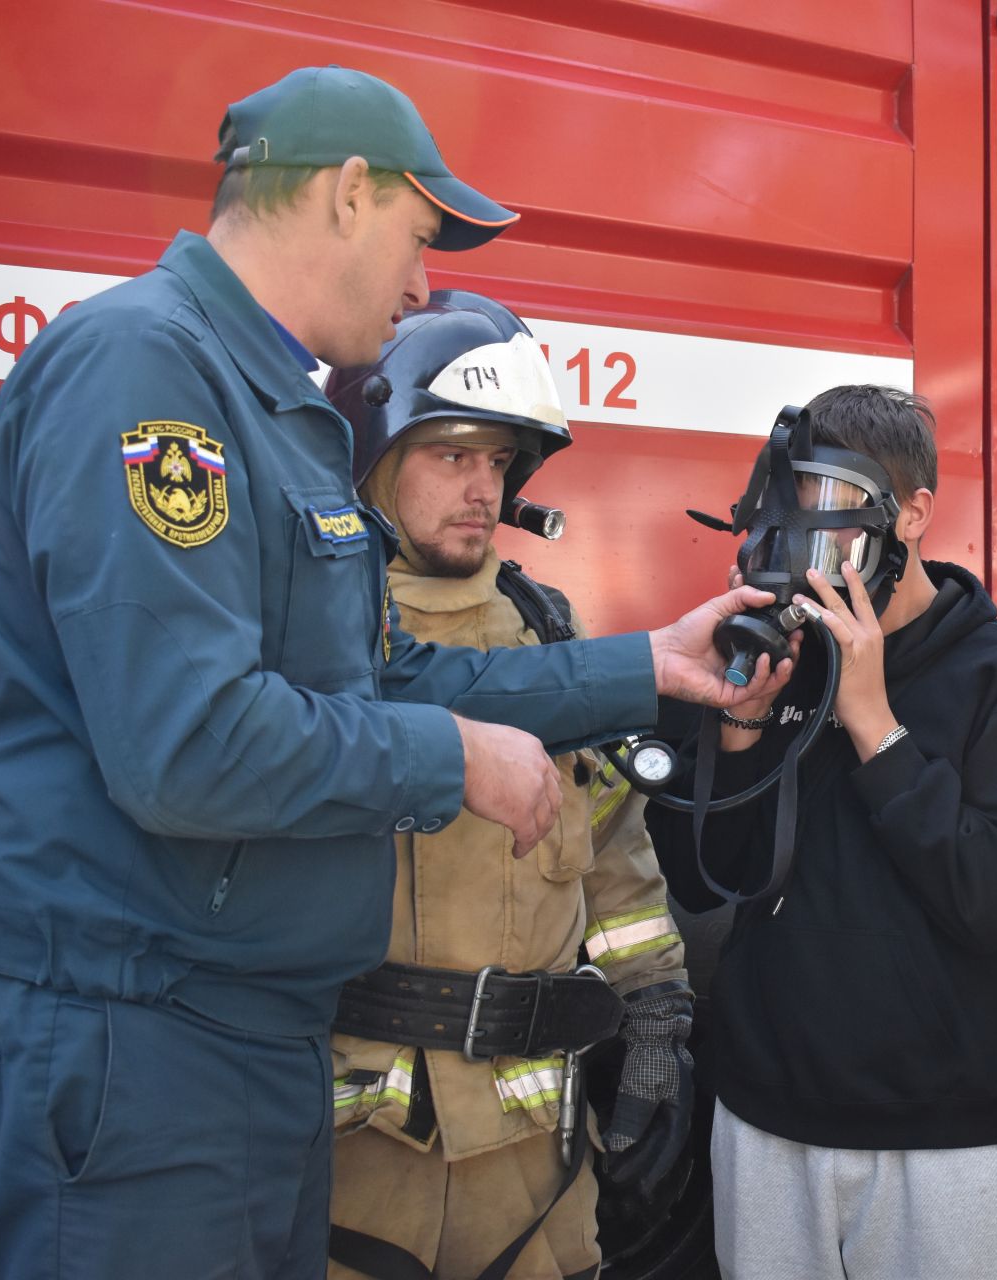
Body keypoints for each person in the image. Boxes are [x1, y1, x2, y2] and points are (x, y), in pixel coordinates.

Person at [0, 66, 778, 1280]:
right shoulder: (147, 372)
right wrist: (456, 760)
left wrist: (649, 663)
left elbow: (383, 675)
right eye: (421, 237)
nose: (426, 282)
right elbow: (188, 744)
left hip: (241, 1045)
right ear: (345, 193)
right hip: (133, 1047)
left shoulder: (273, 410)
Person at [646, 386, 997, 1280]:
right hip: (764, 1119)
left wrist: (876, 726)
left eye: (831, 514)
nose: (806, 547)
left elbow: (990, 902)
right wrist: (740, 729)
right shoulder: (775, 653)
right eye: (786, 516)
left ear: (913, 512)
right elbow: (704, 882)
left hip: (944, 1138)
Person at [319, 293, 694, 1280]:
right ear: (375, 458)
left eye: (499, 460)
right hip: (354, 1163)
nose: (481, 486)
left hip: (531, 1174)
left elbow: (616, 854)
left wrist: (655, 1022)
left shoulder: (549, 633)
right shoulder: (319, 642)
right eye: (451, 454)